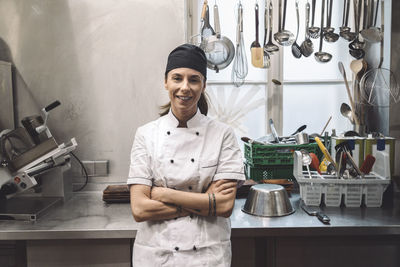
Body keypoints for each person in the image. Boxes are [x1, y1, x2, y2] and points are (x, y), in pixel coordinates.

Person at [127, 43, 245, 266]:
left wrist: (162, 194)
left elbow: (224, 207)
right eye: (177, 78)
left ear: (203, 85)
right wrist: (205, 201)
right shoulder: (146, 134)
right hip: (156, 255)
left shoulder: (223, 135)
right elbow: (140, 209)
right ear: (166, 82)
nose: (185, 87)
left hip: (208, 257)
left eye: (193, 79)